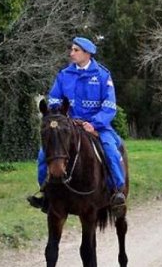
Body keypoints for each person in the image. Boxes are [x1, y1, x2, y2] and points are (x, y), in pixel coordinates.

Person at [28, 36, 126, 213]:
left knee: (110, 149)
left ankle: (116, 191)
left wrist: (94, 124)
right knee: (44, 154)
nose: (71, 53)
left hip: (97, 127)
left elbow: (109, 106)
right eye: (71, 49)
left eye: (75, 50)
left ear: (87, 53)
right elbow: (54, 99)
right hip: (68, 126)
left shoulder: (103, 76)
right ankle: (45, 192)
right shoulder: (64, 75)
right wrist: (61, 115)